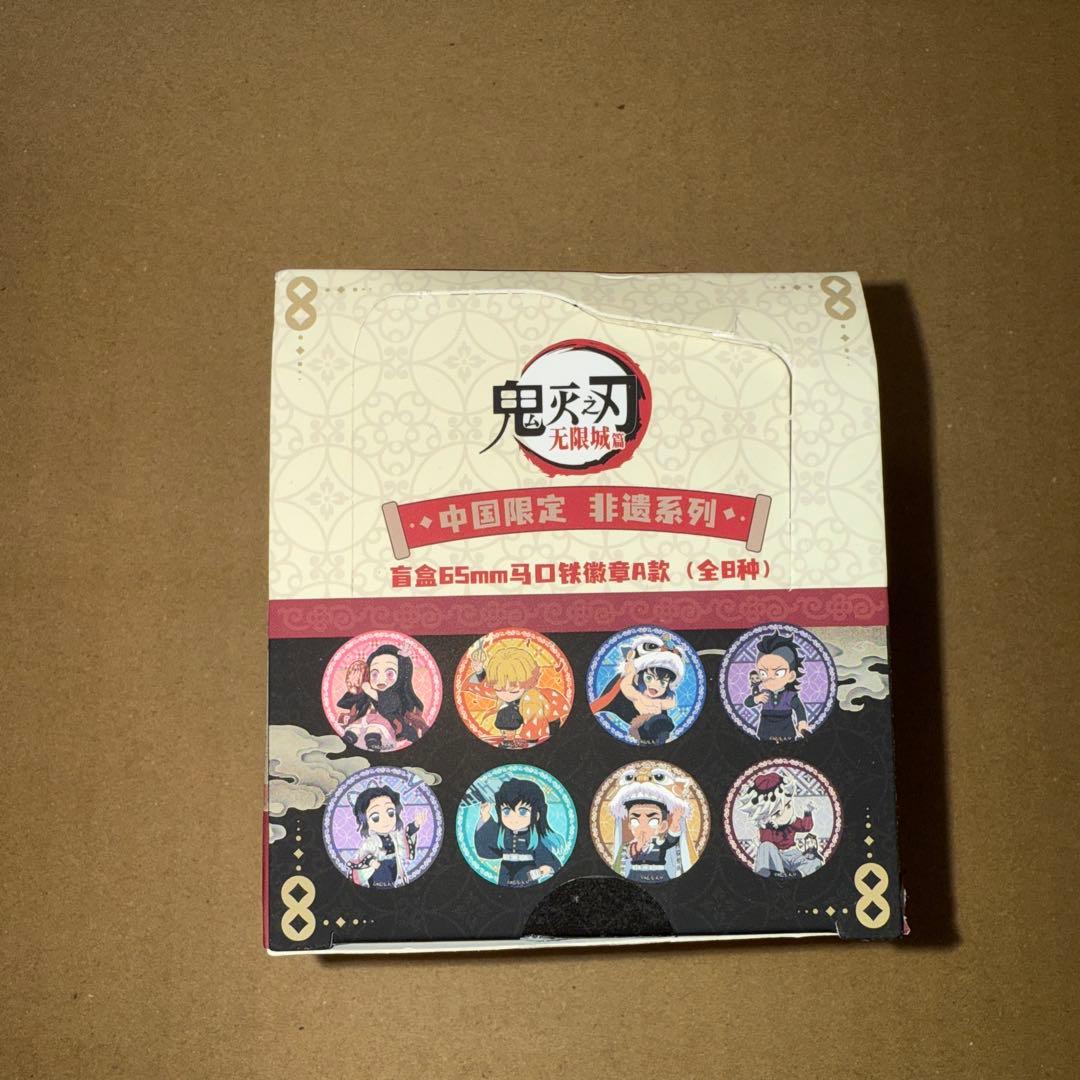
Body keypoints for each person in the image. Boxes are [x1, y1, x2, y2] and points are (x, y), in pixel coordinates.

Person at [467, 637, 568, 746]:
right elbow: (484, 687)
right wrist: (479, 672)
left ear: (528, 683)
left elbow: (534, 725)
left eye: (513, 691)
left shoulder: (532, 698)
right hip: (519, 714)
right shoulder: (500, 688)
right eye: (499, 689)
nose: (506, 695)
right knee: (505, 709)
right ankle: (509, 737)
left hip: (548, 721)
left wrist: (529, 740)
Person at [590, 633, 685, 745]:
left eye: (663, 682)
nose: (656, 685)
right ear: (636, 677)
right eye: (649, 678)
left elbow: (671, 703)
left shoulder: (660, 700)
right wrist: (631, 672)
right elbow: (624, 687)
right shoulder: (633, 693)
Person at [473, 777, 561, 886]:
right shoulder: (503, 834)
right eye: (506, 811)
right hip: (505, 872)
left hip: (526, 872)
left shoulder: (533, 837)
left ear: (536, 815)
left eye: (523, 812)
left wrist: (544, 869)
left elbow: (544, 856)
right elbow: (487, 849)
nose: (513, 818)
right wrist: (485, 816)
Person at [337, 644, 426, 750]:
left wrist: (371, 692)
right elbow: (353, 702)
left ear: (400, 674)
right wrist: (357, 688)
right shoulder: (367, 693)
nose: (381, 680)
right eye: (374, 674)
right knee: (356, 727)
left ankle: (373, 741)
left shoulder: (394, 695)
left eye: (390, 674)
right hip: (366, 719)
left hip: (386, 722)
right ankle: (350, 737)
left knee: (374, 729)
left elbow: (388, 704)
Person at [738, 771, 820, 878]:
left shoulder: (791, 820)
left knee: (815, 861)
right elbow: (767, 843)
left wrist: (807, 812)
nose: (785, 812)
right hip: (778, 857)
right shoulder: (767, 827)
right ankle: (775, 873)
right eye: (777, 813)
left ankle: (797, 874)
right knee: (765, 846)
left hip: (794, 854)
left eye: (788, 805)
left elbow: (805, 827)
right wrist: (769, 826)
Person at [348, 784, 426, 888]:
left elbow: (405, 835)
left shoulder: (395, 835)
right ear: (365, 820)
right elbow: (363, 854)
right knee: (380, 886)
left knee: (394, 883)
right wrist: (371, 861)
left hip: (394, 865)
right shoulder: (371, 841)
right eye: (375, 817)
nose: (385, 820)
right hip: (379, 868)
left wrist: (416, 825)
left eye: (390, 813)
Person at [743, 632, 810, 741]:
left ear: (791, 676)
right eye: (763, 673)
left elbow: (799, 708)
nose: (770, 678)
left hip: (786, 730)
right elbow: (748, 703)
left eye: (778, 673)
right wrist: (756, 699)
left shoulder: (790, 695)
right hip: (766, 730)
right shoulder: (764, 693)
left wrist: (802, 723)